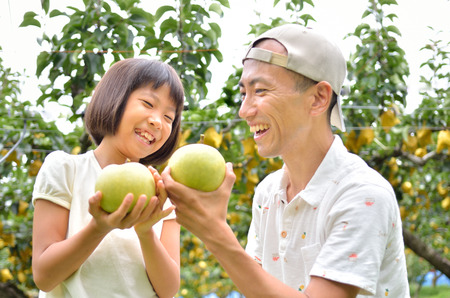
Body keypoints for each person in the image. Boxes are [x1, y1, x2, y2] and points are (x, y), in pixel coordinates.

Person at [162, 24, 410, 297]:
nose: (245, 111)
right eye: (244, 93)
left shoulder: (362, 195)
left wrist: (215, 233)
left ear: (318, 98)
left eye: (261, 91)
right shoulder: (268, 193)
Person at [32, 58, 185, 298]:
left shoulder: (163, 192)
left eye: (169, 117)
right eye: (148, 103)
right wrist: (98, 227)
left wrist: (146, 232)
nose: (158, 121)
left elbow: (168, 290)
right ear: (114, 98)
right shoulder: (65, 169)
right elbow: (44, 276)